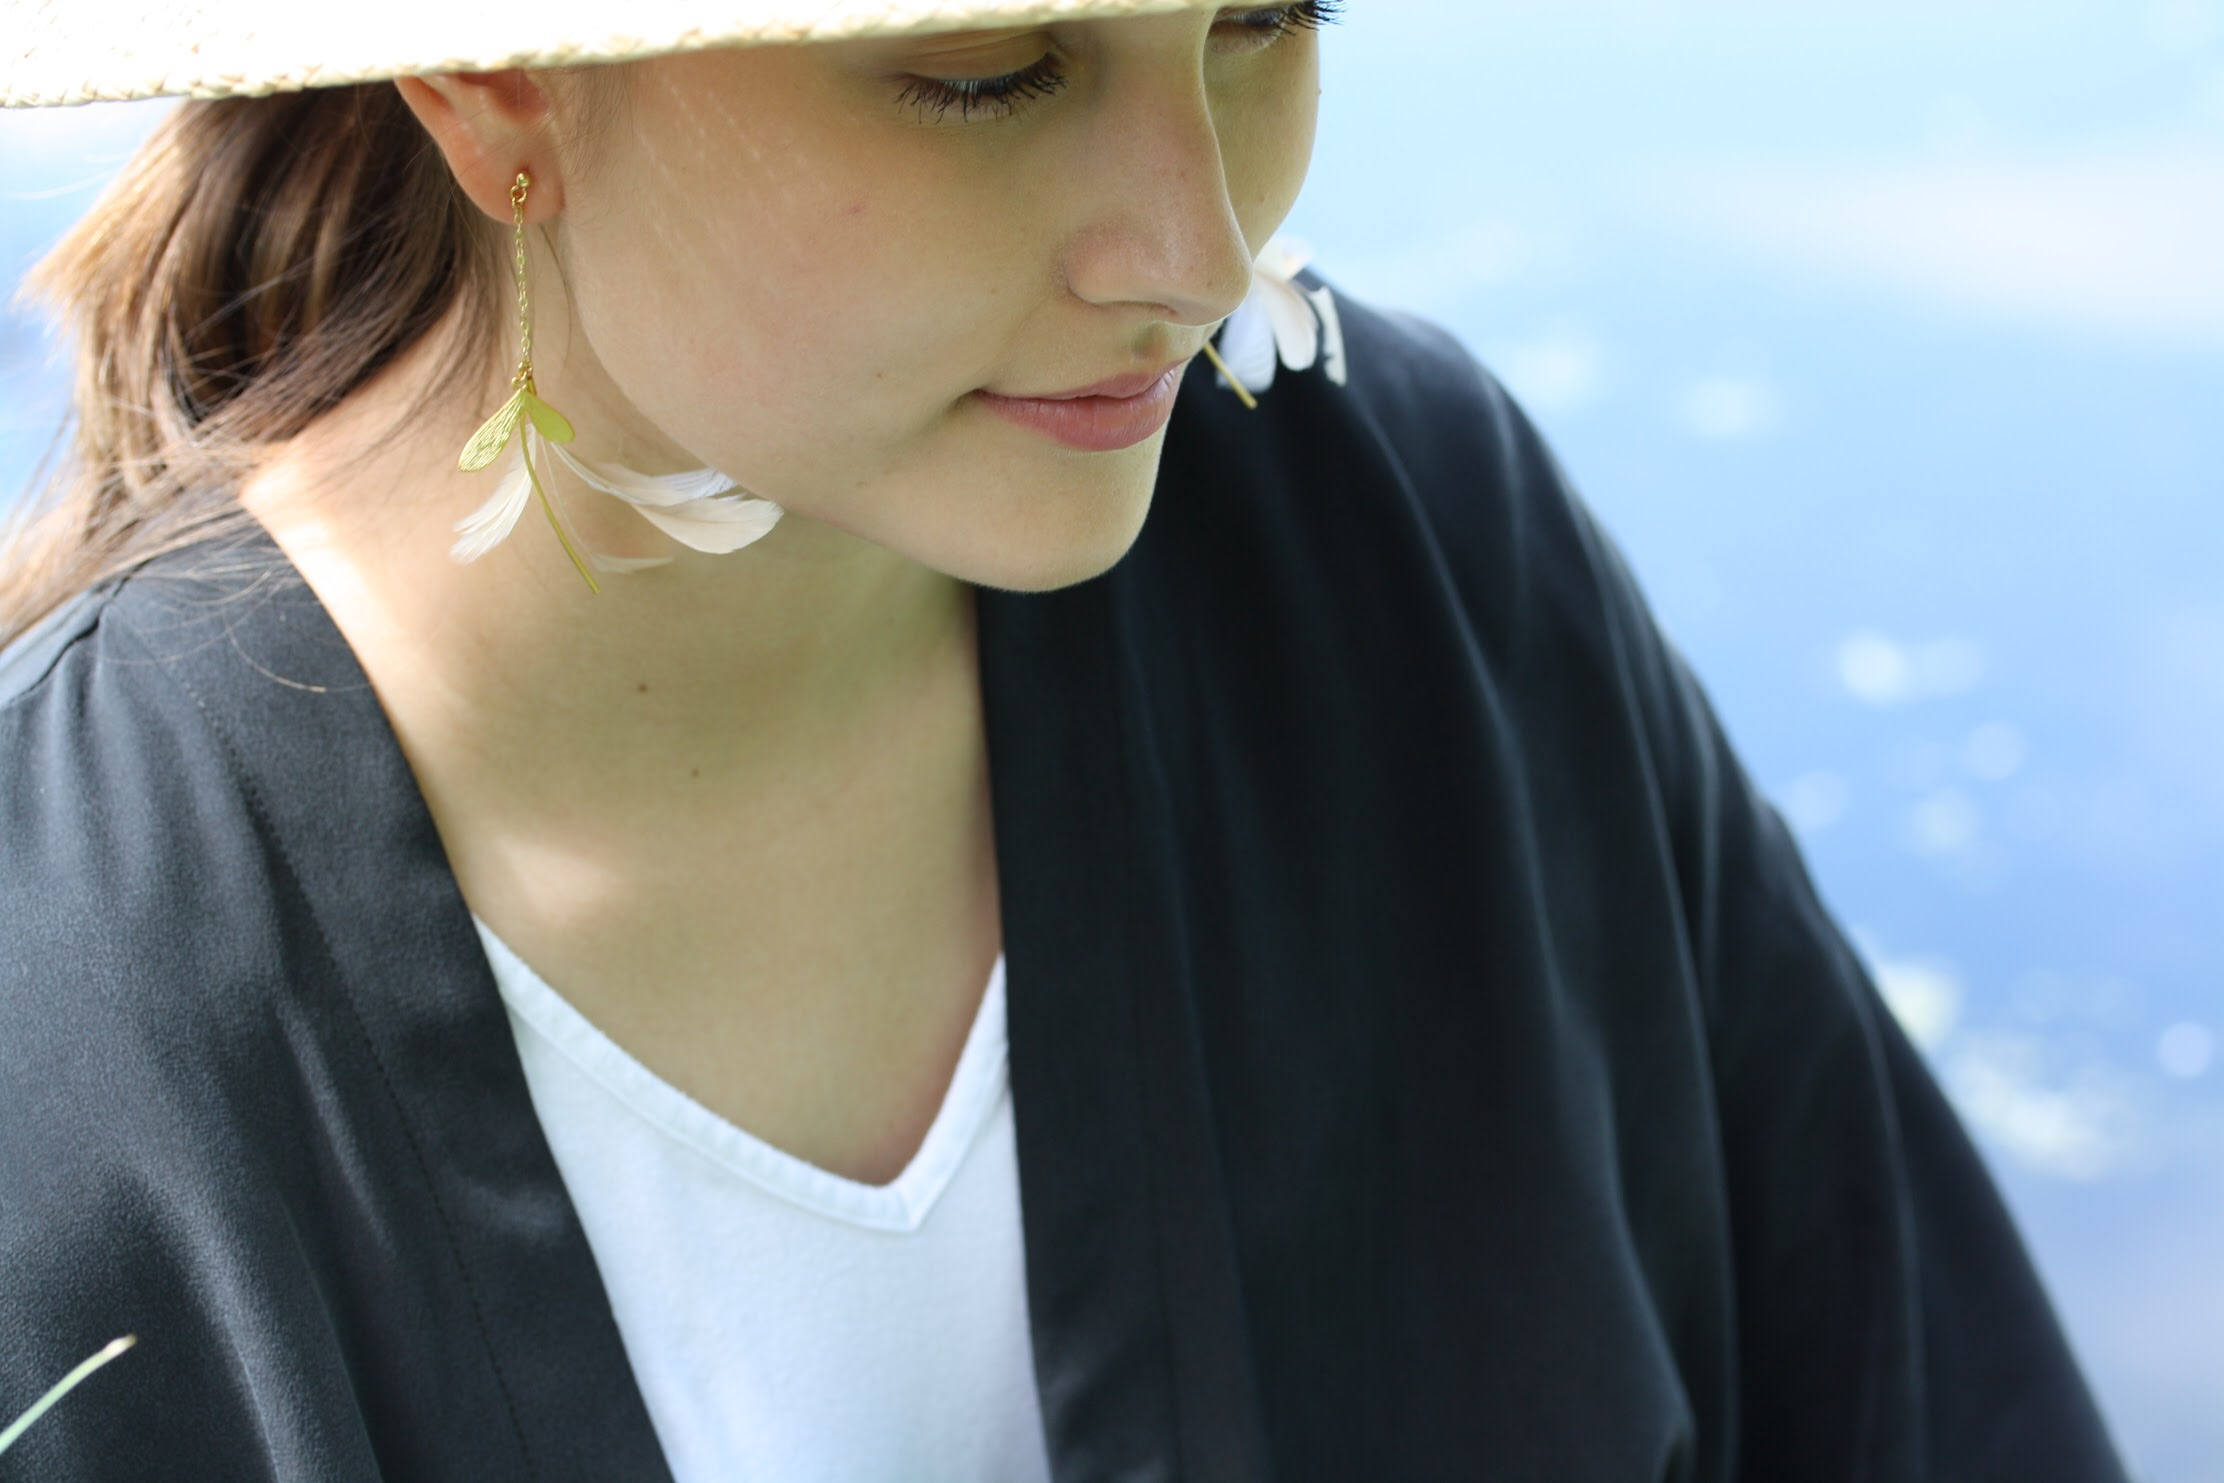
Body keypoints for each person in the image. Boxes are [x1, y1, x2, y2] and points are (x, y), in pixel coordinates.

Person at [0, 2, 2138, 1479]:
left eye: (1261, 17)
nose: (1196, 244)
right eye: (987, 68)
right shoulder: (64, 1020)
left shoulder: (1399, 549)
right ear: (495, 83)